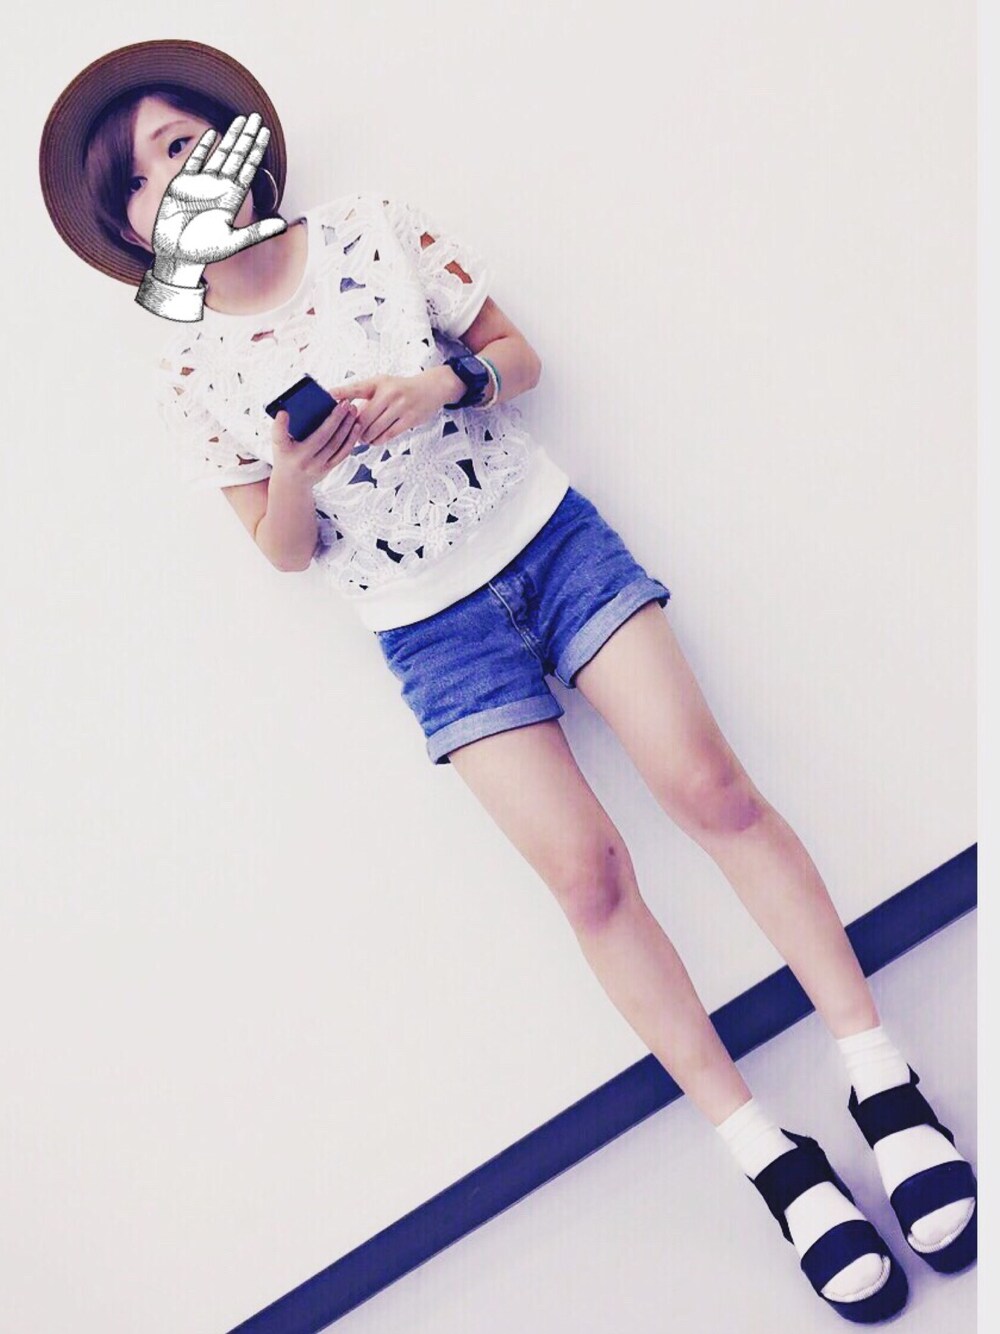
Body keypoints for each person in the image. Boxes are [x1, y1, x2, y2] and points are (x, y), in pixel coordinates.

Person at [39, 39, 976, 1323]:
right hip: (429, 632)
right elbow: (281, 550)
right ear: (132, 231)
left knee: (707, 787)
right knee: (588, 876)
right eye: (140, 181)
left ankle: (881, 1076)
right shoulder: (189, 368)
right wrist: (297, 468)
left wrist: (438, 384)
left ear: (238, 140)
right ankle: (770, 1156)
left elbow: (519, 357)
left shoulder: (369, 228)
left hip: (547, 539)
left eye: (181, 140)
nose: (174, 177)